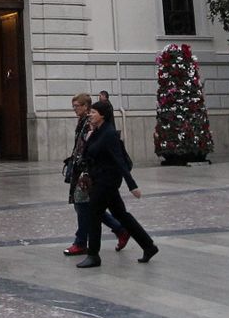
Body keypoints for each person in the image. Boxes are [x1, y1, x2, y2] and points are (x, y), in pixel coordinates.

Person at [77, 100, 158, 268]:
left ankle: (93, 255)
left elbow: (120, 161)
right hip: (99, 179)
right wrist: (89, 135)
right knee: (122, 215)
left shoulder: (110, 134)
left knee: (94, 214)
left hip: (107, 182)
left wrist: (132, 185)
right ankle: (149, 246)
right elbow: (87, 155)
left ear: (102, 115)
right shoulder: (97, 132)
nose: (90, 115)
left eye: (93, 112)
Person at [63, 92, 126, 256]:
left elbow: (89, 146)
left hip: (87, 170)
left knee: (83, 205)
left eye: (77, 106)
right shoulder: (82, 122)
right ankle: (120, 229)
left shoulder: (89, 123)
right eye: (73, 106)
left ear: (86, 106)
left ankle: (81, 242)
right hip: (80, 168)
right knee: (89, 206)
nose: (74, 109)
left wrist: (85, 169)